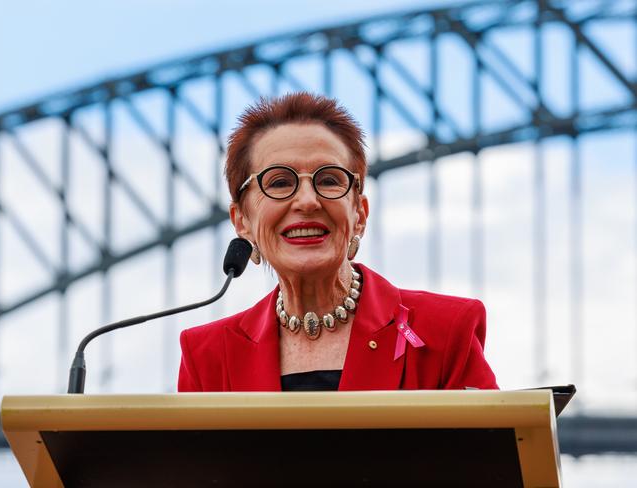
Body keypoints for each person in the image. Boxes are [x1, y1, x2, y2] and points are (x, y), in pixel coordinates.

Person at [178, 92, 497, 392]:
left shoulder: (446, 330)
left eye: (329, 180)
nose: (307, 201)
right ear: (242, 221)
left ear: (359, 213)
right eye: (279, 182)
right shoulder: (207, 356)